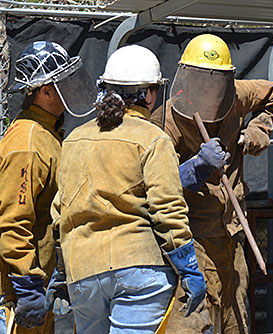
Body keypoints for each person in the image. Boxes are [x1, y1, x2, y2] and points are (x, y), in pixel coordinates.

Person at [47, 44, 206, 334]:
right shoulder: (153, 139)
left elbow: (60, 213)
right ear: (147, 94)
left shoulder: (73, 140)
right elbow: (167, 209)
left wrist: (60, 273)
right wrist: (189, 268)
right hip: (140, 270)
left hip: (82, 271)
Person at [150, 33, 273, 334]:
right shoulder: (167, 121)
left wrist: (258, 128)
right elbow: (157, 185)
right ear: (187, 77)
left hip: (233, 233)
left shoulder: (236, 96)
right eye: (200, 80)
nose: (207, 88)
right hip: (192, 238)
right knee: (192, 321)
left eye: (215, 81)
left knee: (235, 319)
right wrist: (195, 167)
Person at [0, 41, 94, 334]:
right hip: (16, 293)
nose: (71, 88)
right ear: (45, 90)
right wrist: (26, 285)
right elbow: (12, 220)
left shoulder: (46, 133)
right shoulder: (28, 144)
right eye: (63, 82)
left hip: (39, 280)